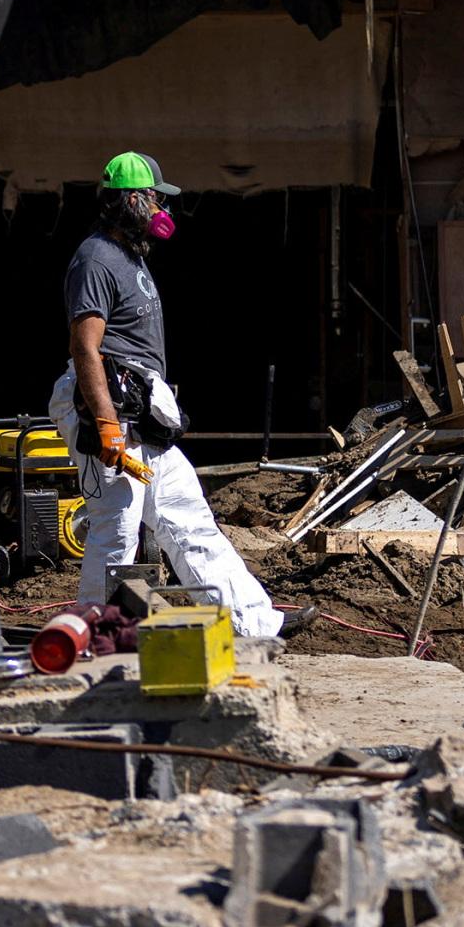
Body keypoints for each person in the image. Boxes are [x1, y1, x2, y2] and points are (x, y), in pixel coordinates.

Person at [48, 151, 294, 638]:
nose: (163, 208)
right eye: (157, 198)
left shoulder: (128, 257)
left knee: (188, 518)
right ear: (132, 200)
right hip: (112, 408)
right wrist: (105, 425)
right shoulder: (95, 258)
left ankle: (254, 623)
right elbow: (85, 348)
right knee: (116, 527)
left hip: (142, 411)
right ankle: (95, 636)